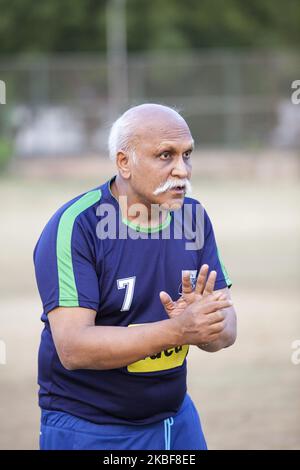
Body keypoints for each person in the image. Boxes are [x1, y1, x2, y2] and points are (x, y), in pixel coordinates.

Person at [34, 103, 237, 450]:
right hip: (90, 427)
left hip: (176, 420)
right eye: (165, 156)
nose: (181, 170)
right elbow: (73, 347)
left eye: (187, 155)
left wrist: (207, 324)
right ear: (124, 162)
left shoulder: (193, 218)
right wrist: (177, 330)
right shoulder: (77, 226)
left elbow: (228, 331)